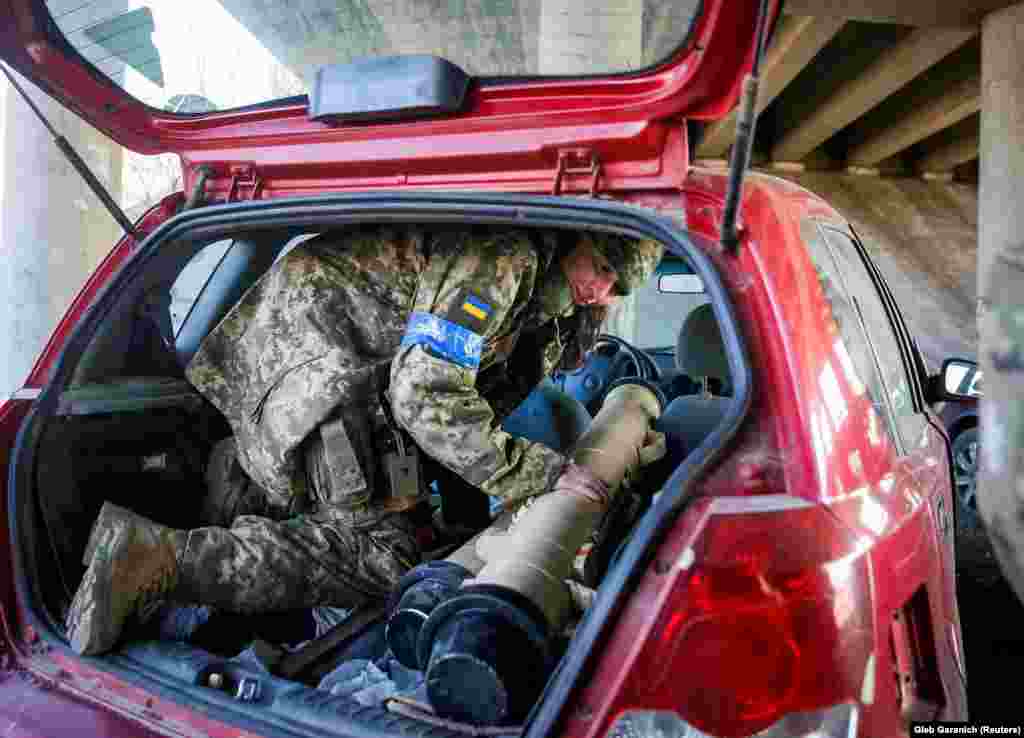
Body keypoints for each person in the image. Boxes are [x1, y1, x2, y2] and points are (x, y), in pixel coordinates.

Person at [65, 224, 664, 656]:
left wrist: (462, 507)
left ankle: (223, 533)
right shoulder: (504, 256)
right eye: (602, 269)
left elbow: (465, 391)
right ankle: (158, 560)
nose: (602, 292)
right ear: (572, 237)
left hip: (321, 366)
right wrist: (537, 474)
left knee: (392, 517)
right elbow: (425, 392)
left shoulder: (546, 288)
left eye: (617, 286)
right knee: (386, 559)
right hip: (320, 370)